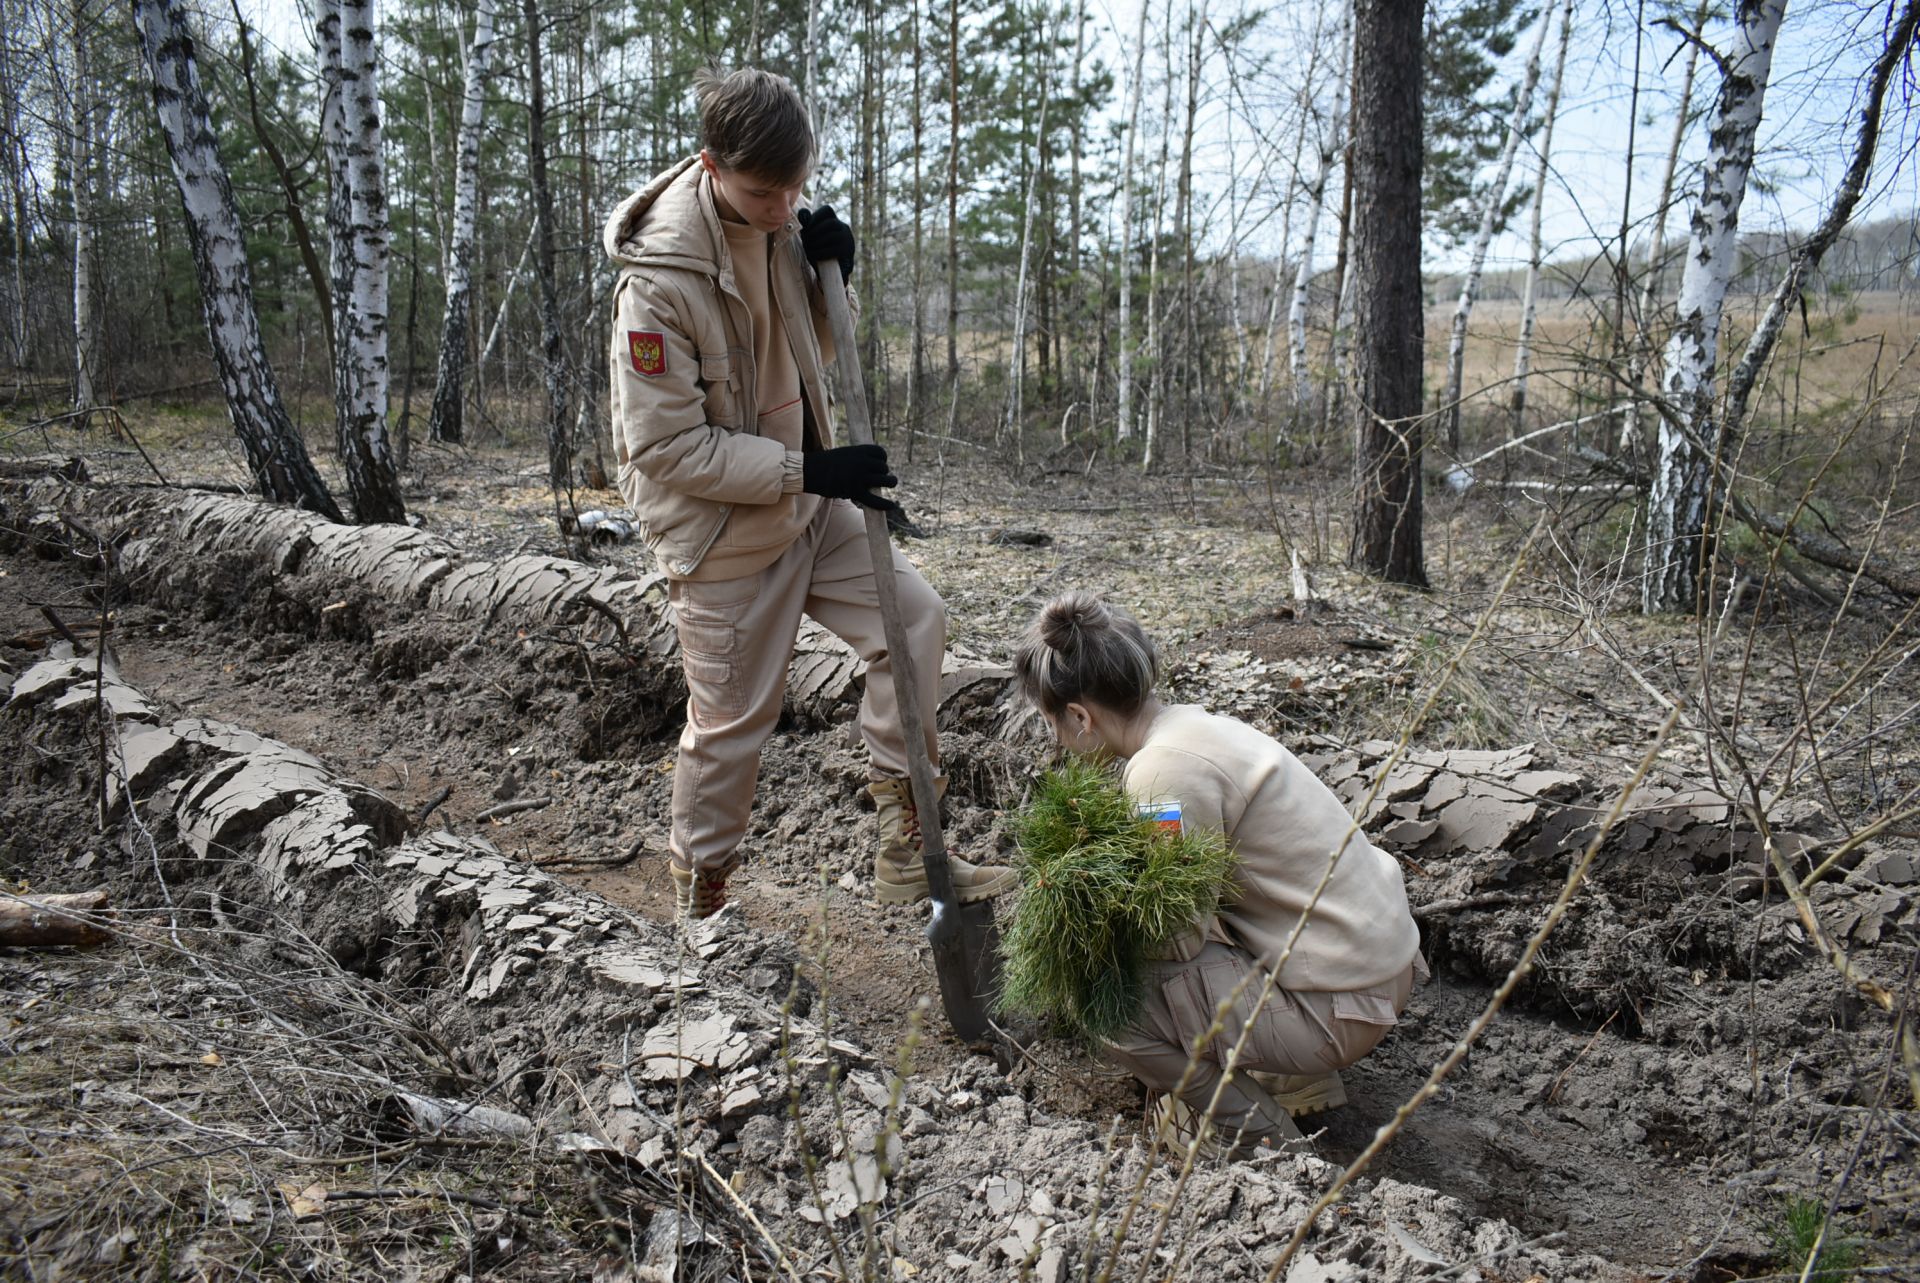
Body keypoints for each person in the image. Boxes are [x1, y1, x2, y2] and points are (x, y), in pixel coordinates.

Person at [603, 67, 1015, 922]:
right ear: (710, 164)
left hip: (811, 506)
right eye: (764, 191)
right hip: (723, 533)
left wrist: (837, 280)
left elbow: (806, 353)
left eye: (799, 184)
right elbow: (663, 444)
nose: (786, 206)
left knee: (914, 622)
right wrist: (807, 470)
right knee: (731, 730)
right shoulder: (658, 284)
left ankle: (910, 849)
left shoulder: (783, 225)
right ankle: (702, 906)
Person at [1011, 591, 1424, 1157]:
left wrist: (1089, 924)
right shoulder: (1195, 728)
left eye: (1051, 722)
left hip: (1342, 1005)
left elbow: (1176, 935)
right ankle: (1295, 1075)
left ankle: (1259, 1141)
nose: (1056, 737)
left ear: (1080, 717)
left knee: (1110, 1006)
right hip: (1371, 963)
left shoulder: (1161, 778)